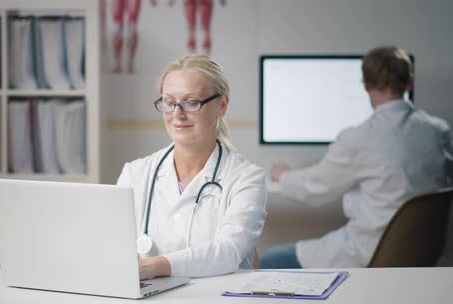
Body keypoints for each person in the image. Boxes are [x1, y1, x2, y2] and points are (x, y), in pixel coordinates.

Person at [261, 46, 453, 269]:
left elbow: (316, 187)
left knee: (270, 259)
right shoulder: (439, 131)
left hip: (370, 254)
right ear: (409, 82)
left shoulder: (359, 137)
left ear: (366, 84)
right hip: (422, 255)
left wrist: (283, 175)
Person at [117, 54, 267, 280]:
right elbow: (113, 248)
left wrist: (157, 266)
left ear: (221, 105)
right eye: (169, 102)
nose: (177, 113)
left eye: (191, 102)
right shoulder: (135, 174)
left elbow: (228, 252)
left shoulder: (246, 179)